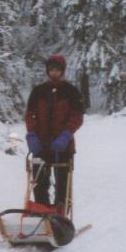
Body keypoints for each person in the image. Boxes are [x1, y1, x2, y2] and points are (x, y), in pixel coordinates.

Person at [24, 54, 84, 213]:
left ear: (62, 71)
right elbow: (30, 114)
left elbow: (77, 116)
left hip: (63, 146)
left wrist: (67, 134)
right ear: (47, 71)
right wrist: (31, 135)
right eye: (51, 70)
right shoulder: (38, 91)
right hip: (40, 145)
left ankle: (60, 213)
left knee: (62, 182)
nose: (54, 73)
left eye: (57, 70)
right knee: (39, 181)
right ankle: (42, 211)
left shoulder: (71, 91)